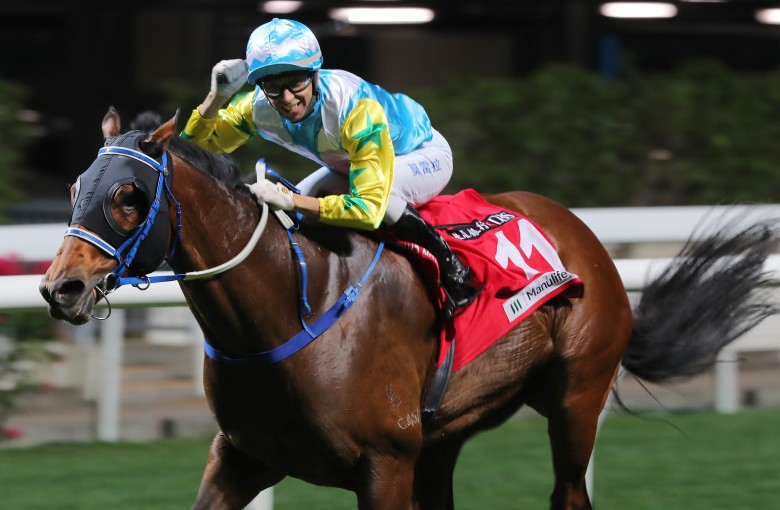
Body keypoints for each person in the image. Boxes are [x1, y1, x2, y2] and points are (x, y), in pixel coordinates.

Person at [182, 17, 478, 319]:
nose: (287, 98)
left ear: (315, 74)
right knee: (294, 216)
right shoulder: (257, 105)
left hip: (422, 155)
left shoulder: (354, 107)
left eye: (296, 82)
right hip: (349, 163)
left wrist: (291, 199)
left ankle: (455, 271)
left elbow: (368, 209)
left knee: (381, 201)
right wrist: (217, 96)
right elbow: (191, 156)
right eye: (273, 85)